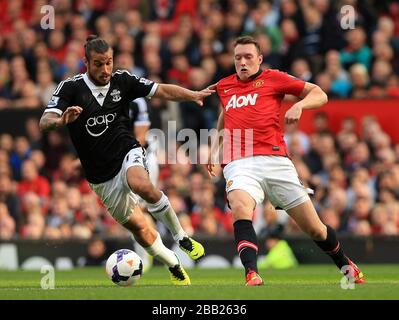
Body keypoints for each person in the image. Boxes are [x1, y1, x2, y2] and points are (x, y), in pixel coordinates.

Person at [39, 35, 212, 285]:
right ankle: (172, 262)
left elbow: (160, 89)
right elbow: (44, 121)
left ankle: (182, 236)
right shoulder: (71, 88)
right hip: (100, 178)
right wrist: (60, 121)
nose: (106, 69)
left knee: (141, 184)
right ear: (85, 62)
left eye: (109, 62)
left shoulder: (123, 80)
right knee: (141, 229)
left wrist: (192, 94)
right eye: (99, 64)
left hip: (126, 151)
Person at [208, 36, 365, 286]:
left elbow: (320, 93)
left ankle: (346, 265)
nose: (243, 62)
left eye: (248, 57)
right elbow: (225, 114)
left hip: (275, 160)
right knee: (239, 205)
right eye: (238, 57)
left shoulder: (274, 78)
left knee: (315, 229)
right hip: (239, 161)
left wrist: (300, 105)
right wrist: (214, 148)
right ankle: (251, 273)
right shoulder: (225, 86)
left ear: (259, 59)